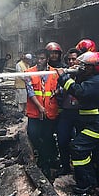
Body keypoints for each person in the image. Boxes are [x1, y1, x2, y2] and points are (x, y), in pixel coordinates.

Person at [56, 51, 99, 193]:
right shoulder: (92, 78)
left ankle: (86, 183)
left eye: (84, 66)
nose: (81, 68)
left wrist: (64, 78)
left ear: (94, 67)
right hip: (95, 122)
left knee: (78, 148)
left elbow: (80, 92)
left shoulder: (97, 81)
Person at [25, 49, 59, 180]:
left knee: (47, 136)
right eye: (38, 58)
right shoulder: (29, 72)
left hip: (50, 112)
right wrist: (40, 107)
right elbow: (30, 91)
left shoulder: (54, 73)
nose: (39, 61)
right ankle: (45, 156)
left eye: (42, 59)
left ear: (47, 59)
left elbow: (59, 88)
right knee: (32, 134)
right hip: (35, 112)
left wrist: (57, 92)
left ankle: (45, 162)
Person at [55, 47, 81, 175]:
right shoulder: (64, 73)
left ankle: (80, 170)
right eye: (69, 59)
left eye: (74, 59)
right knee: (62, 139)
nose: (71, 62)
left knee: (79, 142)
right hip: (66, 112)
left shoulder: (84, 74)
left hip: (81, 113)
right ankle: (65, 167)